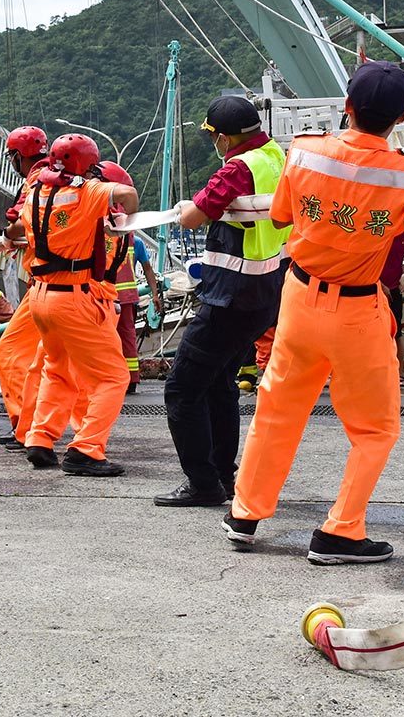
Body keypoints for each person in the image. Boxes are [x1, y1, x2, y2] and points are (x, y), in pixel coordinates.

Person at [223, 61, 404, 563]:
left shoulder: (305, 151)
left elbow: (283, 215)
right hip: (357, 310)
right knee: (374, 428)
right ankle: (340, 532)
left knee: (278, 409)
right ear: (402, 116)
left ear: (347, 107)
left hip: (299, 298)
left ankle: (245, 514)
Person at [155, 95, 290, 508]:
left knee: (181, 390)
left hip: (229, 296)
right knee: (218, 385)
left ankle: (202, 483)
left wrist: (185, 209)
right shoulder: (274, 155)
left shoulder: (236, 168)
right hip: (265, 294)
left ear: (225, 137)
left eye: (214, 136)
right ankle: (223, 476)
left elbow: (194, 217)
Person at [18, 134, 140, 475]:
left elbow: (17, 229)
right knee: (113, 376)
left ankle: (39, 439)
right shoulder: (89, 192)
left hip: (41, 296)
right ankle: (86, 449)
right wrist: (124, 221)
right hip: (74, 297)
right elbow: (128, 195)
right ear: (86, 165)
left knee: (57, 369)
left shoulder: (36, 194)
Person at [0, 126, 51, 448]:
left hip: (46, 284)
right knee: (54, 363)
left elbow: (23, 223)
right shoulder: (56, 179)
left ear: (18, 156)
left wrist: (6, 237)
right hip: (61, 284)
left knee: (12, 350)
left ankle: (26, 426)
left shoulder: (36, 182)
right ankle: (36, 429)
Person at [99, 161, 162, 395]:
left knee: (107, 339)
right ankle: (130, 378)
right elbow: (147, 269)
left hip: (105, 295)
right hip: (127, 296)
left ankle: (112, 377)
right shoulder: (132, 237)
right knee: (127, 336)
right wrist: (155, 295)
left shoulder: (101, 228)